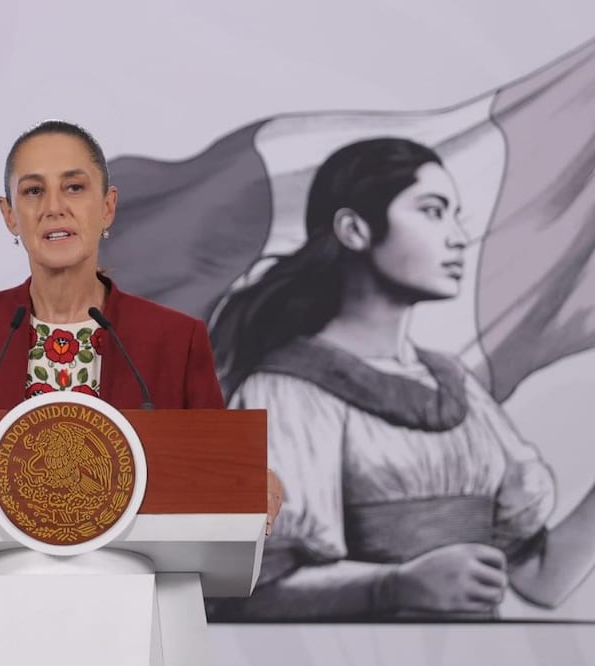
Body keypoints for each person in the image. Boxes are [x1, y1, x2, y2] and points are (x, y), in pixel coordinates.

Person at [205, 137, 595, 621]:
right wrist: (394, 586)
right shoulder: (286, 392)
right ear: (354, 229)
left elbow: (540, 580)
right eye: (432, 211)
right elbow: (248, 591)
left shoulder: (458, 388)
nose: (457, 237)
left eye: (456, 216)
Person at [0, 120, 283, 547]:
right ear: (9, 215)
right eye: (33, 191)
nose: (54, 206)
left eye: (74, 187)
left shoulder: (174, 340)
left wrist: (250, 483)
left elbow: (218, 475)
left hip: (132, 599)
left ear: (107, 207)